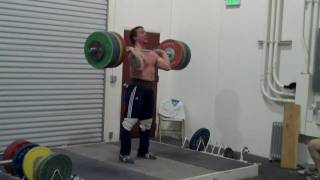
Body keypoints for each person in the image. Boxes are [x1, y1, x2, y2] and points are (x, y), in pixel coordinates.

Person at [119, 26, 171, 164]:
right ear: (135, 37)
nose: (145, 34)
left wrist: (162, 52)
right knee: (128, 123)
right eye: (142, 32)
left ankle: (143, 151)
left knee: (147, 124)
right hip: (136, 88)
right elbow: (139, 67)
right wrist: (134, 52)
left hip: (149, 90)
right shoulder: (132, 52)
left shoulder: (153, 54)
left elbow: (167, 66)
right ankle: (124, 154)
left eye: (145, 32)